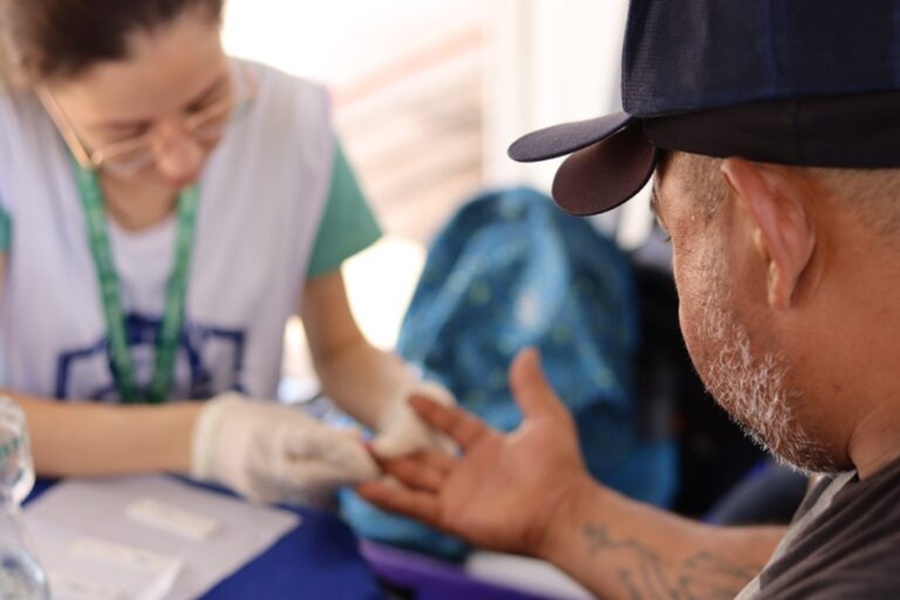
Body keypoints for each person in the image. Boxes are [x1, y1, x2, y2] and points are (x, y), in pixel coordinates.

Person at [357, 0, 900, 598]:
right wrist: (562, 513)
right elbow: (792, 564)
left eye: (672, 232)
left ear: (771, 239)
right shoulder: (870, 450)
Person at [0, 0, 455, 506]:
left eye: (206, 105)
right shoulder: (11, 148)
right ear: (39, 89)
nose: (180, 161)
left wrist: (401, 403)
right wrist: (206, 437)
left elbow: (339, 348)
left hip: (240, 522)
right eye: (126, 137)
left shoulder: (291, 126)